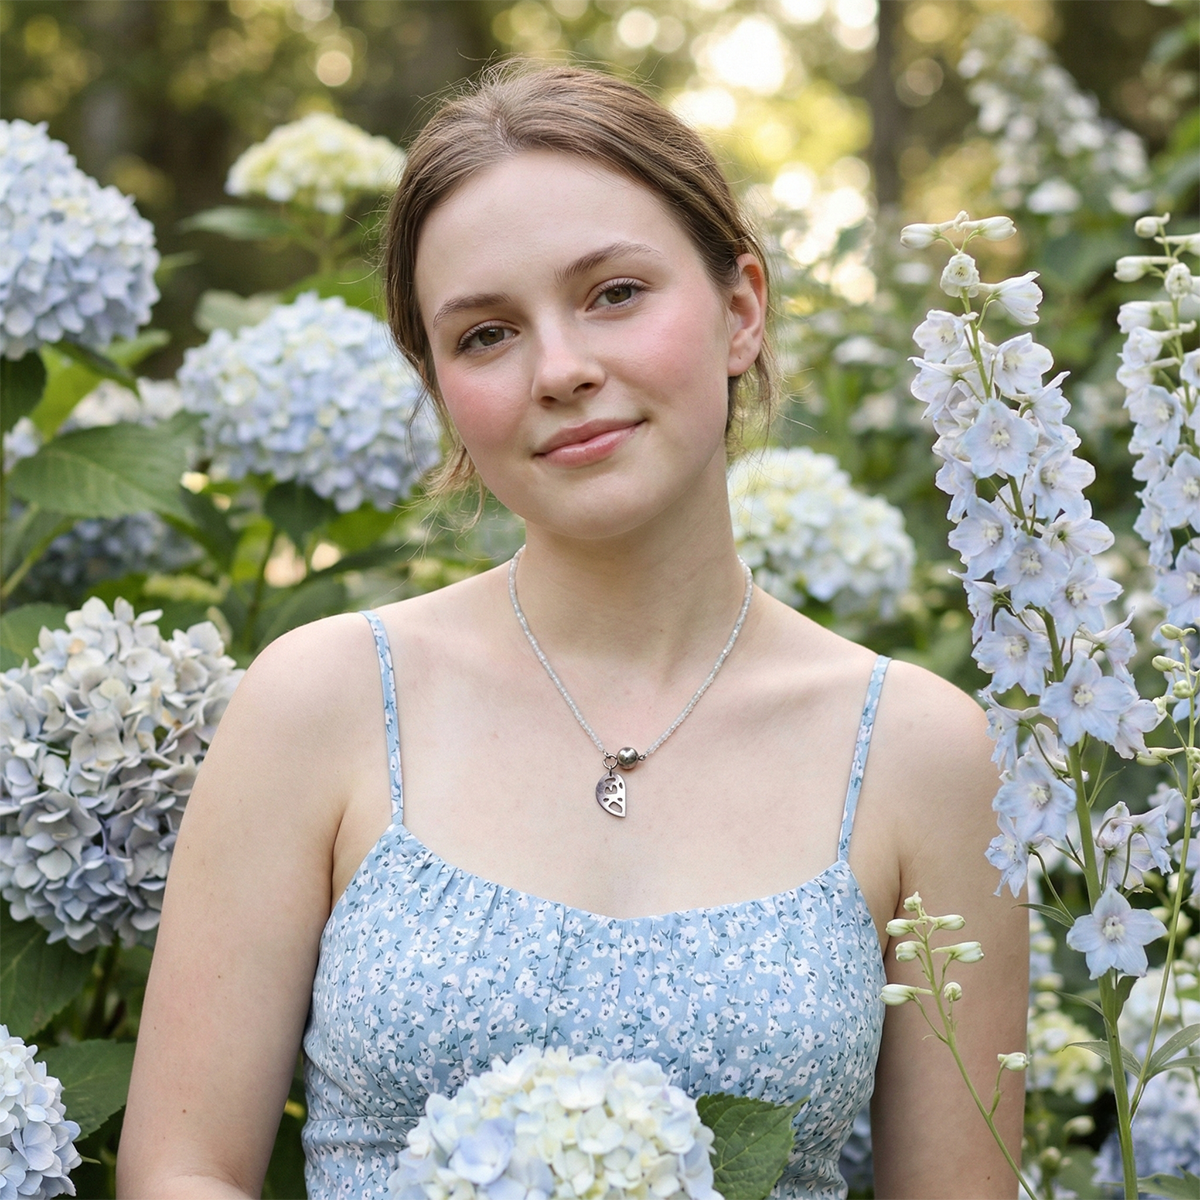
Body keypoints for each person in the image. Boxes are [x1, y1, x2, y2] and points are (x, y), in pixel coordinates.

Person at [118, 64, 1027, 1200]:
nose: (562, 371)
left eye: (613, 294)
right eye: (488, 335)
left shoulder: (925, 755)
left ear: (740, 310)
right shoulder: (323, 700)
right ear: (442, 387)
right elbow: (182, 1171)